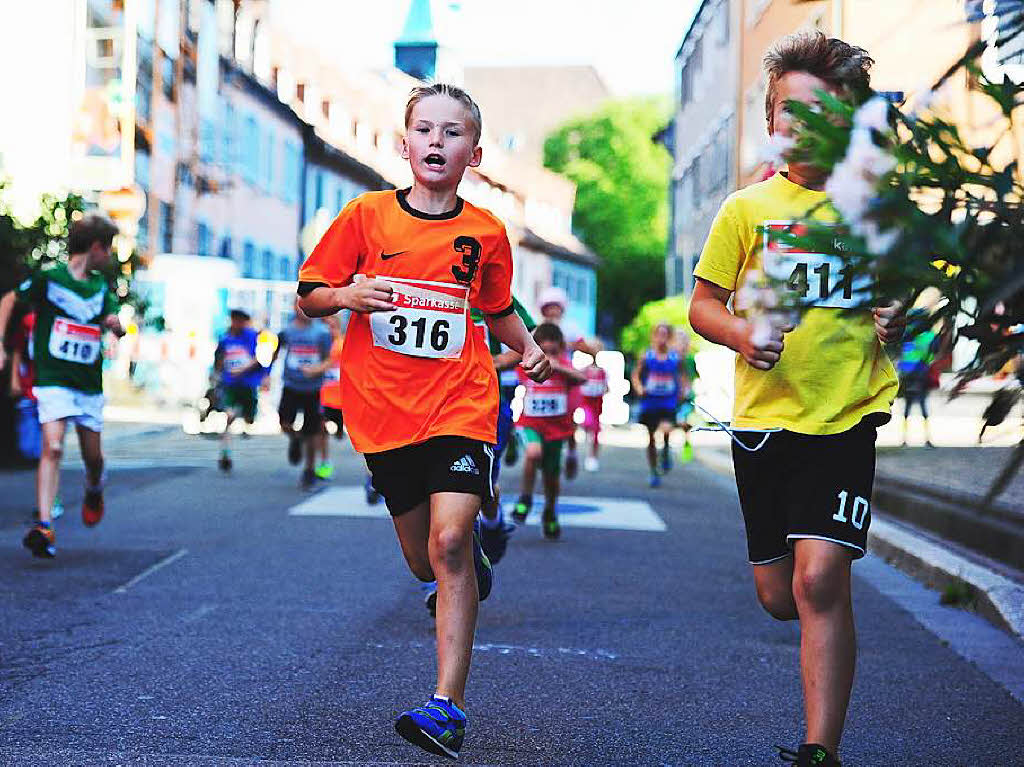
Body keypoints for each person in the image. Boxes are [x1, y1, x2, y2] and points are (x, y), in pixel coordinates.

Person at [296, 83, 549, 761]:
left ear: (475, 153)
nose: (437, 142)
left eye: (453, 132)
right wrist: (346, 293)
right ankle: (469, 564)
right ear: (403, 144)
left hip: (462, 400)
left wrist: (525, 348)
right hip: (383, 411)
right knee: (423, 560)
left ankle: (448, 707)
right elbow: (309, 294)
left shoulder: (487, 232)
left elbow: (496, 308)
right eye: (425, 130)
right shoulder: (367, 216)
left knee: (448, 538)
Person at [688, 32, 904, 767]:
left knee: (819, 578)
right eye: (788, 112)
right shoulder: (747, 209)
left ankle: (821, 748)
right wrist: (743, 336)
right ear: (772, 120)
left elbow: (906, 299)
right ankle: (821, 615)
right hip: (764, 422)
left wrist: (897, 314)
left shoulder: (874, 210)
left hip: (845, 417)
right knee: (780, 595)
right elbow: (703, 305)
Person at [0, 213, 125, 559]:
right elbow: (9, 300)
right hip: (53, 380)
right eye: (109, 249)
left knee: (93, 458)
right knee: (52, 448)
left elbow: (116, 324)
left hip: (87, 385)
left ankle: (94, 488)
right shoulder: (49, 280)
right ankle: (44, 525)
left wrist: (115, 325)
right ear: (97, 247)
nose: (110, 256)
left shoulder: (99, 288)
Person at [422, 296, 535, 619]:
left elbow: (527, 337)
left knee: (480, 489)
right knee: (434, 495)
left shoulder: (492, 292)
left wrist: (494, 363)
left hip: (484, 404)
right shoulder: (429, 289)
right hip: (431, 403)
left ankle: (493, 525)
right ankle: (440, 586)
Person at [510, 323, 585, 539]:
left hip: (556, 430)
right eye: (544, 341)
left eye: (553, 341)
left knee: (552, 477)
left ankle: (550, 512)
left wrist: (557, 367)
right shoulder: (529, 364)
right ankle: (525, 498)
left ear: (559, 344)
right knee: (533, 453)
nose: (549, 345)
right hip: (531, 424)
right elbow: (513, 373)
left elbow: (581, 379)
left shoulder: (563, 365)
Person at [8, 306, 65, 520]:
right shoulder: (28, 319)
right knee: (30, 449)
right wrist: (14, 380)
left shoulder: (62, 320)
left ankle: (51, 502)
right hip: (30, 391)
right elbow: (17, 349)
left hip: (54, 394)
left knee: (51, 449)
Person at [270, 304, 333, 490]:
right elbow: (277, 352)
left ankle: (309, 470)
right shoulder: (286, 331)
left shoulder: (322, 332)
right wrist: (267, 374)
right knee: (285, 423)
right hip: (291, 385)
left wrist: (316, 370)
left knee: (312, 431)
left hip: (313, 388)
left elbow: (329, 359)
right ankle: (295, 439)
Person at [537, 286, 594, 480]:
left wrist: (587, 364)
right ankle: (540, 449)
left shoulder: (570, 328)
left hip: (566, 377)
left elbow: (588, 348)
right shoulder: (538, 329)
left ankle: (570, 450)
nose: (552, 311)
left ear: (562, 308)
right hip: (545, 377)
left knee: (568, 415)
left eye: (556, 307)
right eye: (548, 307)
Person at [632, 323, 685, 487]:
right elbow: (636, 375)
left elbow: (683, 376)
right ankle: (654, 470)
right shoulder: (646, 356)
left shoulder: (675, 357)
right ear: (653, 336)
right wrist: (640, 388)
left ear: (669, 337)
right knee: (651, 437)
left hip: (668, 400)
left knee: (667, 428)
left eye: (665, 334)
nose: (661, 338)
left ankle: (666, 449)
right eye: (658, 334)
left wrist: (683, 390)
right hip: (650, 400)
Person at [214, 309, 264, 472]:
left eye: (240, 320)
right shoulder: (225, 338)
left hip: (248, 384)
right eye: (234, 320)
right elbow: (220, 359)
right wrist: (217, 375)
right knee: (228, 416)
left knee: (249, 418)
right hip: (231, 384)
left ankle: (247, 417)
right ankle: (225, 453)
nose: (236, 323)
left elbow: (259, 357)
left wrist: (243, 370)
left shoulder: (250, 336)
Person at [897, 310, 939, 447]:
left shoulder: (907, 333)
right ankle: (926, 438)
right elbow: (935, 352)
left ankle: (904, 439)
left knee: (908, 408)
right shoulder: (931, 335)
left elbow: (900, 350)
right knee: (922, 406)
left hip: (908, 373)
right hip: (921, 373)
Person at [316, 312, 348, 480]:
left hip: (344, 396)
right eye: (325, 323)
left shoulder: (344, 343)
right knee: (320, 426)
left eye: (332, 323)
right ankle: (324, 462)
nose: (329, 326)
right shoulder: (320, 342)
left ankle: (370, 474)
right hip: (325, 394)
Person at [579, 342, 608, 471]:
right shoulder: (584, 370)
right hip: (586, 404)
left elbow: (606, 387)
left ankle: (593, 457)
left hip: (598, 405)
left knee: (596, 431)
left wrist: (601, 388)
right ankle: (590, 452)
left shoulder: (602, 372)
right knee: (588, 422)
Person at [675, 331, 699, 463]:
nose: (682, 345)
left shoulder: (690, 359)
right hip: (673, 395)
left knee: (684, 422)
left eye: (684, 341)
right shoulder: (672, 358)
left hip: (687, 396)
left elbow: (694, 377)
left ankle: (686, 445)